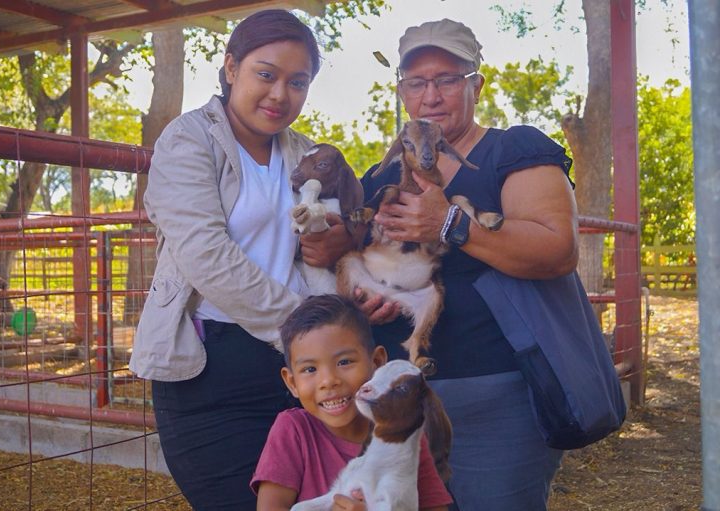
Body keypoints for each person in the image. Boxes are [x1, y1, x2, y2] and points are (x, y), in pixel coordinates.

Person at [300, 18, 578, 511]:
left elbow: (558, 251)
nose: (431, 95)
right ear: (402, 91)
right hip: (397, 401)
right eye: (416, 82)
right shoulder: (381, 175)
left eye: (447, 79)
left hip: (497, 393)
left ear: (477, 85)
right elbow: (355, 256)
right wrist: (361, 294)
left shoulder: (512, 151)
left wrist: (450, 222)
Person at [129, 10, 324, 510]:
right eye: (266, 74)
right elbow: (205, 254)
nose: (280, 94)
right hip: (212, 365)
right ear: (232, 67)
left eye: (297, 82)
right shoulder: (188, 139)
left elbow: (322, 250)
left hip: (300, 365)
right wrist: (309, 327)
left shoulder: (307, 154)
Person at [252, 294, 452, 511]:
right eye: (310, 369)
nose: (328, 381)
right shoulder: (294, 430)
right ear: (292, 383)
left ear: (377, 363)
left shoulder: (406, 435)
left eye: (344, 362)